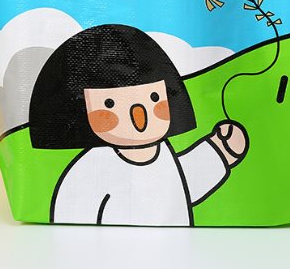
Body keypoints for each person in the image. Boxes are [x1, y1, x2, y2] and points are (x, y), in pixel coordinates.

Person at [29, 24, 248, 226]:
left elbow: (179, 183)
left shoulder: (162, 151)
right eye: (110, 103)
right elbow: (72, 208)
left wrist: (219, 151)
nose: (139, 115)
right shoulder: (92, 167)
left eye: (154, 97)